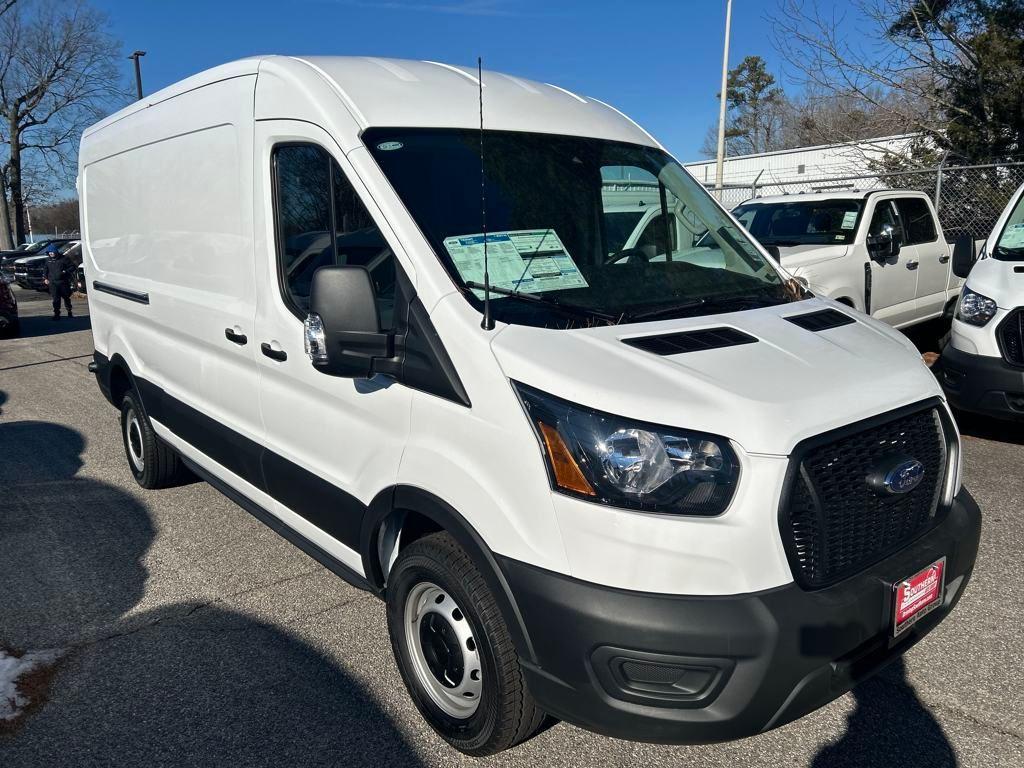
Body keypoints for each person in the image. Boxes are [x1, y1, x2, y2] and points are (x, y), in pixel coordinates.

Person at [43, 243, 73, 320]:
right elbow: (45, 270)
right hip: (53, 283)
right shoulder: (47, 260)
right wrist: (45, 278)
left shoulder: (64, 259)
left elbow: (72, 267)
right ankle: (56, 314)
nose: (51, 254)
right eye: (49, 252)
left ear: (56, 252)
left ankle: (69, 311)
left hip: (63, 282)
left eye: (52, 252)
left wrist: (65, 272)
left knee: (66, 297)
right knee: (56, 299)